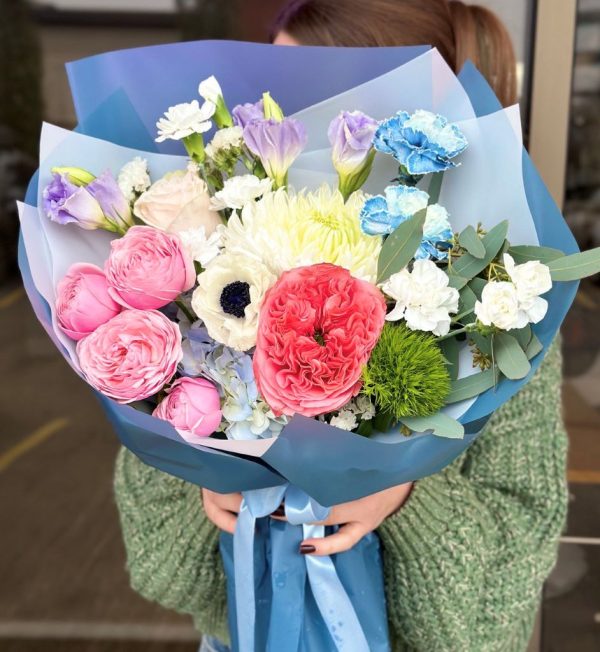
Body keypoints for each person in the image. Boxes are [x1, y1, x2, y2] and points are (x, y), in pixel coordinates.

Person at [114, 1, 567, 650]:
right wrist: (206, 481)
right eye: (267, 95)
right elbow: (160, 571)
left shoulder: (501, 303)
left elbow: (493, 610)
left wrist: (401, 498)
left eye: (310, 97)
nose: (280, 125)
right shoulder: (217, 278)